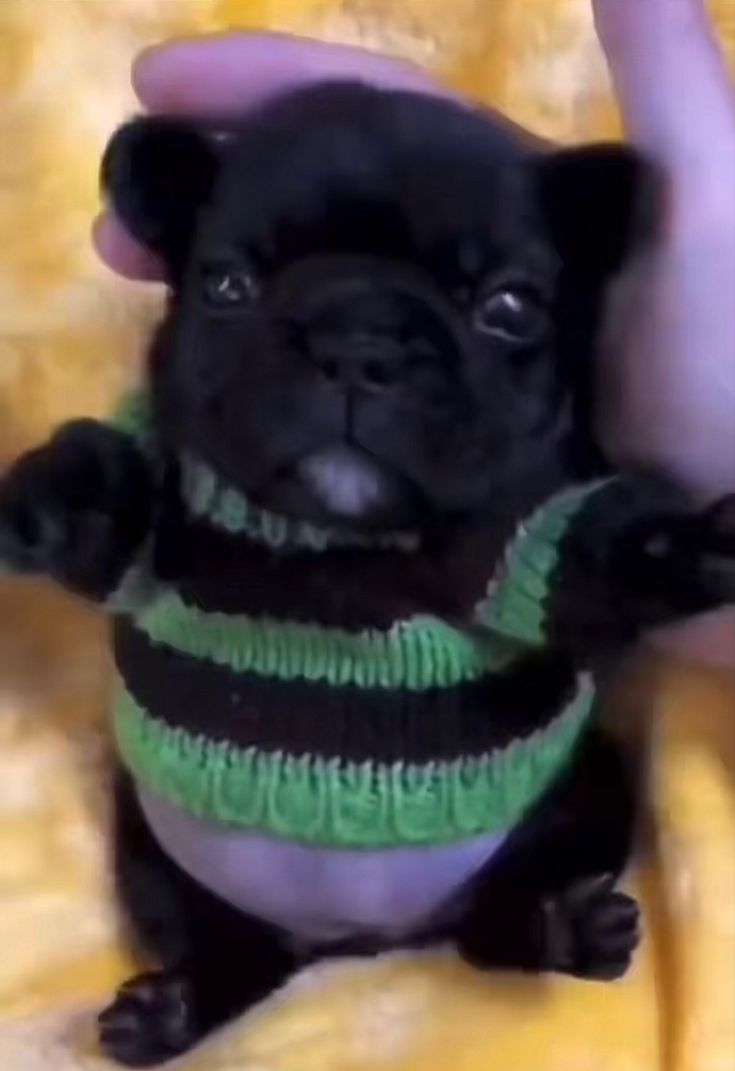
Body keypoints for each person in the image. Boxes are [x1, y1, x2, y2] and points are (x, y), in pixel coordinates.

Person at [94, 0, 735, 664]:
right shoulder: (169, 475)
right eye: (233, 287)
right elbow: (118, 535)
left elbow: (583, 568)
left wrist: (674, 555)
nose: (356, 365)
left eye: (504, 313)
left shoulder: (519, 534)